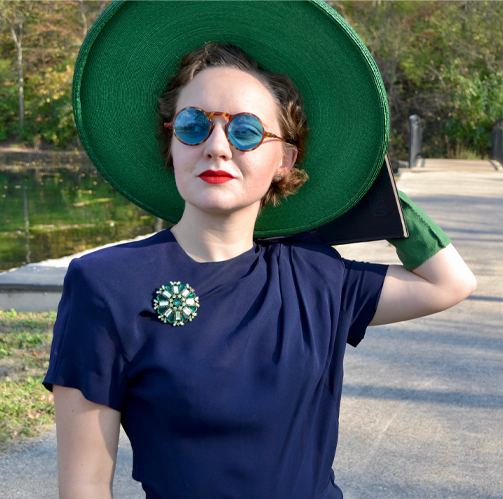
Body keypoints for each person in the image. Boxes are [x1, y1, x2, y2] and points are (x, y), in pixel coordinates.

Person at [44, 2, 475, 499]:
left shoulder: (315, 276)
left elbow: (450, 283)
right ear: (172, 146)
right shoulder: (106, 284)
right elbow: (84, 487)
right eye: (193, 125)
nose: (218, 146)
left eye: (245, 130)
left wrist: (369, 186)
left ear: (284, 160)